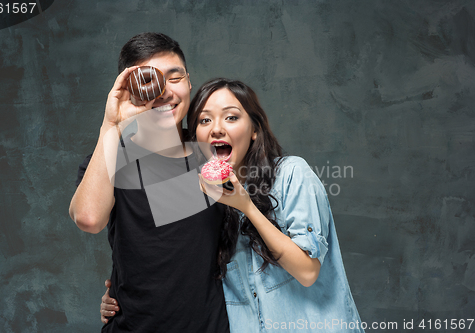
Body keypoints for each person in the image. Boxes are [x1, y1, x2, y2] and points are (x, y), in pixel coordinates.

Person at [102, 78, 364, 332]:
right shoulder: (202, 197)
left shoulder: (291, 174)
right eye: (205, 120)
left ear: (254, 130)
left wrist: (247, 207)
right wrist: (118, 296)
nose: (216, 129)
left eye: (231, 117)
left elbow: (307, 272)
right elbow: (144, 241)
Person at [69, 33, 229, 333]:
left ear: (189, 82)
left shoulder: (213, 153)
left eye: (175, 77)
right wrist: (112, 126)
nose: (165, 91)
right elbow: (88, 219)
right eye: (150, 81)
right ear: (131, 91)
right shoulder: (111, 156)